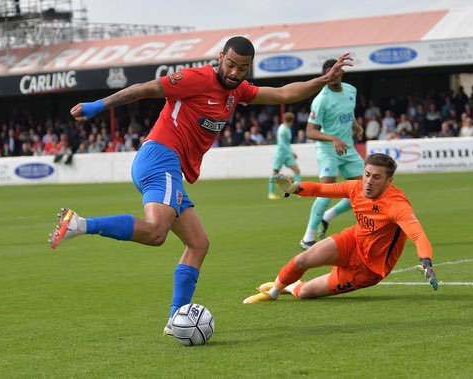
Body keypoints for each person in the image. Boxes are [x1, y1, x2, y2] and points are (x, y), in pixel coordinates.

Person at [47, 36, 353, 335]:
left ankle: (175, 319)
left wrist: (324, 79)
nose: (235, 73)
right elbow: (144, 89)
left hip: (171, 168)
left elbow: (285, 94)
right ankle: (80, 224)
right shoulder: (196, 78)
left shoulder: (238, 91)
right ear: (220, 57)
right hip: (160, 156)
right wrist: (96, 106)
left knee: (198, 244)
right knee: (156, 232)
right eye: (231, 64)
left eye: (242, 68)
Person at [243, 153, 438, 304]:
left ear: (389, 181)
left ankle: (292, 286)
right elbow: (321, 189)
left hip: (369, 269)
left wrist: (426, 262)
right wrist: (294, 187)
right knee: (303, 259)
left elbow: (418, 236)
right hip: (353, 240)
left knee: (304, 293)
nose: (369, 181)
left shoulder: (397, 205)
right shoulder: (356, 187)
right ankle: (275, 292)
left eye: (377, 177)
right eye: (367, 175)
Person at [300, 59, 364, 250]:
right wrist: (333, 139)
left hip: (348, 148)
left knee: (364, 190)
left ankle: (329, 215)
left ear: (341, 72)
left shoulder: (351, 90)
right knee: (327, 190)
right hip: (328, 149)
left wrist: (356, 125)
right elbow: (310, 131)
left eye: (336, 71)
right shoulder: (321, 100)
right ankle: (308, 238)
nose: (333, 75)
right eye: (329, 72)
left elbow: (348, 111)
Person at [268, 112, 302, 200]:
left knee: (297, 170)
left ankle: (299, 191)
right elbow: (282, 144)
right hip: (280, 154)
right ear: (291, 121)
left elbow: (286, 143)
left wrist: (290, 153)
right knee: (275, 172)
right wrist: (291, 152)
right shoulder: (282, 129)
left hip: (287, 154)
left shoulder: (286, 128)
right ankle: (271, 193)